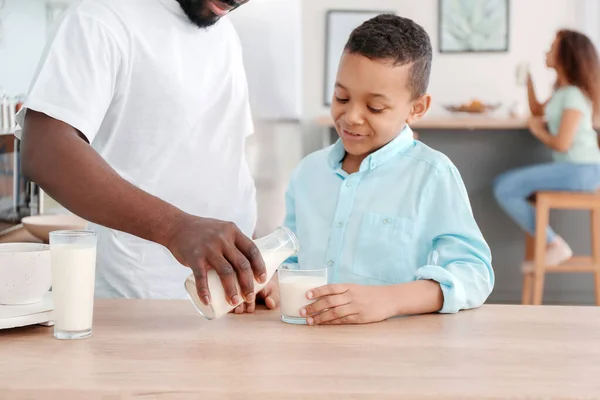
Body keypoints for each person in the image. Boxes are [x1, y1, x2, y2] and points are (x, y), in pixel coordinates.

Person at [17, 0, 278, 314]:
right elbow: (45, 151)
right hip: (139, 303)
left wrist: (251, 260)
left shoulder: (224, 32)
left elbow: (221, 160)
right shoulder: (100, 17)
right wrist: (176, 228)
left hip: (229, 303)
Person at [282, 15, 494, 326]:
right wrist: (270, 287)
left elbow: (474, 273)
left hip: (396, 355)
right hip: (310, 347)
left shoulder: (432, 175)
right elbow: (291, 257)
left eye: (375, 108)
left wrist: (391, 299)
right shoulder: (308, 173)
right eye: (342, 97)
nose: (351, 116)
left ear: (417, 108)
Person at [494, 29, 600, 267]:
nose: (547, 52)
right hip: (576, 169)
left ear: (565, 55)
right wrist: (528, 81)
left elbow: (563, 143)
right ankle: (552, 243)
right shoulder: (562, 92)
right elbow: (538, 111)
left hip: (583, 170)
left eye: (552, 48)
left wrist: (537, 130)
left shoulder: (572, 94)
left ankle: (554, 244)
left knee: (505, 186)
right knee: (505, 185)